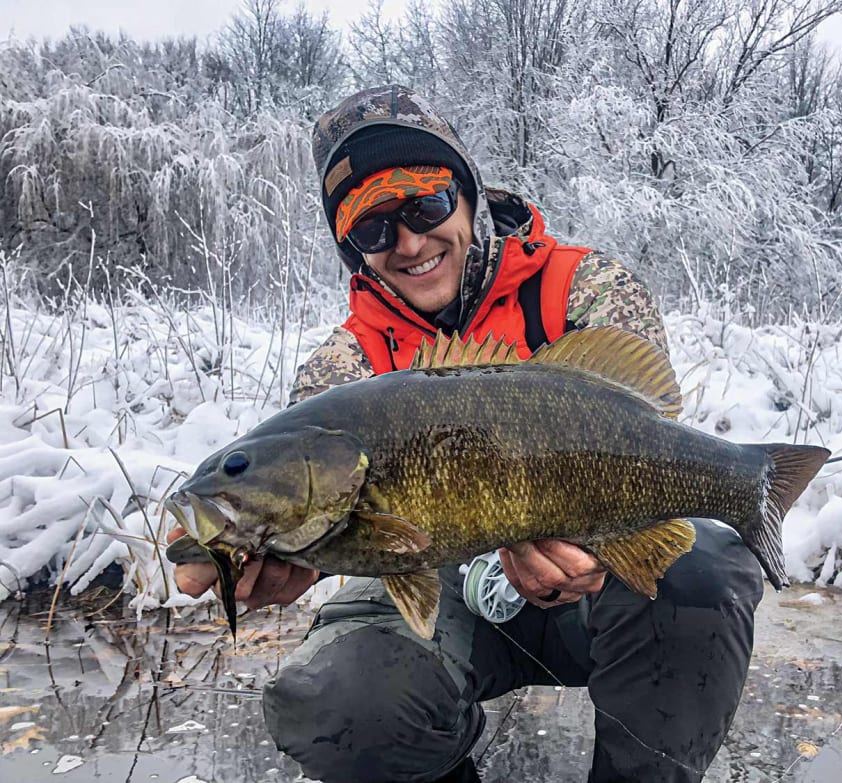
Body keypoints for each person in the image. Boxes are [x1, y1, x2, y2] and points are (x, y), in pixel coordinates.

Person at [170, 85, 764, 783]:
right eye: (373, 228)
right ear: (350, 247)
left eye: (425, 204)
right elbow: (334, 529)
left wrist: (595, 545)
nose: (411, 242)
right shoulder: (342, 372)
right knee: (339, 699)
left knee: (700, 571)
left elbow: (644, 438)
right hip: (438, 596)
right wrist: (276, 552)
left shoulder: (586, 288)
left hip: (592, 585)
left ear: (468, 193)